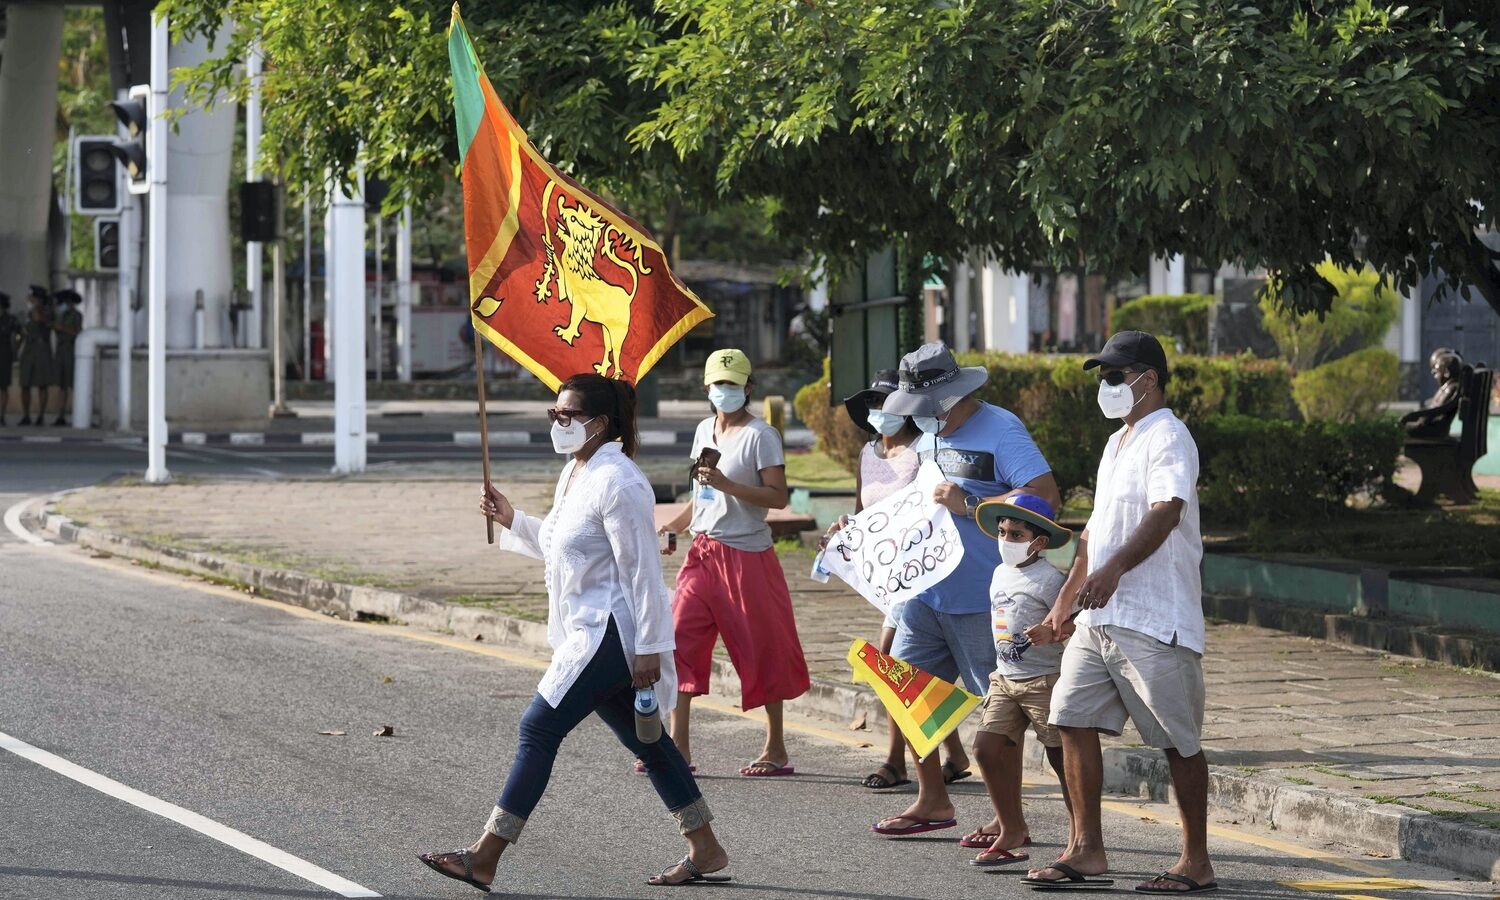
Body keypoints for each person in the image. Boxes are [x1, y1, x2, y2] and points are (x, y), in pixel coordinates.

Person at [418, 373, 730, 892]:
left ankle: (485, 855)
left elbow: (643, 572)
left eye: (567, 416)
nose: (557, 423)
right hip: (584, 631)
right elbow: (565, 543)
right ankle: (706, 847)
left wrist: (651, 647)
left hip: (608, 634)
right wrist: (514, 518)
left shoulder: (621, 482)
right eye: (553, 414)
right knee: (648, 744)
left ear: (600, 424)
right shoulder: (576, 472)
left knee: (538, 729)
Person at [1026, 330, 1217, 894]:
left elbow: (1166, 512)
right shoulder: (1118, 442)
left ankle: (1196, 861)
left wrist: (1115, 572)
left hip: (1156, 618)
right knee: (1070, 717)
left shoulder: (1169, 437)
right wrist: (1063, 603)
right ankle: (1086, 850)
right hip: (1098, 619)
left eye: (1114, 376)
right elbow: (1094, 534)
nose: (1106, 387)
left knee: (1176, 741)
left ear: (1147, 379)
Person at [870, 341, 1061, 842]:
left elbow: (1045, 500)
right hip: (923, 593)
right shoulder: (927, 437)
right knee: (909, 694)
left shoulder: (1003, 430)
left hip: (985, 599)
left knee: (1004, 712)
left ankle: (1008, 818)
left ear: (948, 399)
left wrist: (972, 500)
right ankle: (932, 797)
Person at [656, 348, 810, 776]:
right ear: (705, 388)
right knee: (677, 641)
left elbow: (777, 497)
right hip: (702, 554)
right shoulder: (705, 429)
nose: (725, 391)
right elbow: (701, 494)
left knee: (763, 648)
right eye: (718, 384)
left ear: (748, 387)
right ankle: (677, 749)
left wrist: (728, 484)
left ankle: (776, 747)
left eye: (733, 384)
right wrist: (673, 526)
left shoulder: (762, 435)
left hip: (747, 556)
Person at [825, 369, 971, 791]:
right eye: (873, 403)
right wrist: (843, 532)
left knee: (891, 663)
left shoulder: (924, 452)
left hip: (919, 573)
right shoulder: (868, 453)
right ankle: (953, 753)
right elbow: (863, 514)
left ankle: (895, 760)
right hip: (886, 576)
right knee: (918, 673)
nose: (879, 411)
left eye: (887, 403)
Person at [969, 494, 1073, 867]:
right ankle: (1011, 828)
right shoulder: (999, 572)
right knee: (985, 748)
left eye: (1016, 534)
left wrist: (1055, 631)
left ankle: (1079, 838)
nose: (1006, 539)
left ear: (1039, 542)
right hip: (1005, 680)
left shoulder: (1050, 579)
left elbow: (1076, 622)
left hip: (1044, 682)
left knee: (1064, 762)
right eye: (1001, 531)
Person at [1401, 348, 1465, 438]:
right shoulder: (1448, 387)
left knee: (1400, 428)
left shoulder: (1451, 388)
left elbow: (1439, 409)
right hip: (1434, 427)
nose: (1434, 375)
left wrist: (1415, 416)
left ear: (1446, 372)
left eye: (1436, 372)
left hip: (1436, 430)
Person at [17, 286, 54, 427]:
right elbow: (23, 331)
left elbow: (42, 320)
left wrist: (37, 307)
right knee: (24, 383)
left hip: (42, 349)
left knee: (42, 384)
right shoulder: (27, 312)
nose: (28, 298)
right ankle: (26, 415)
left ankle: (41, 416)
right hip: (29, 348)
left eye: (31, 295)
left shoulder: (46, 310)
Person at [51, 289, 83, 427]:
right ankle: (61, 416)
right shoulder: (60, 315)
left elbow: (77, 332)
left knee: (73, 384)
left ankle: (79, 413)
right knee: (62, 386)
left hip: (70, 350)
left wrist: (62, 327)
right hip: (60, 351)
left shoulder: (76, 315)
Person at [0, 292, 18, 426]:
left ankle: (1, 415)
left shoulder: (10, 319)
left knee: (3, 386)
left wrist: (15, 349)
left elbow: (19, 334)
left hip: (4, 354)